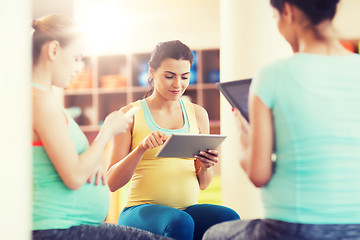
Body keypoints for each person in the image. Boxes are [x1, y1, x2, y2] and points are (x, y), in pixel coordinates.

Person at [203, 0, 360, 239]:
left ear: (287, 10)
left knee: (215, 234)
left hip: (293, 229)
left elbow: (259, 174)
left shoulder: (272, 76)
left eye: (275, 18)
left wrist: (246, 140)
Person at [31, 14, 170, 240]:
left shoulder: (43, 100)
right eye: (76, 58)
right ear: (54, 50)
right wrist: (107, 132)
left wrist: (89, 159)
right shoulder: (40, 100)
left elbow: (74, 165)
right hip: (57, 230)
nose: (79, 68)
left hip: (70, 225)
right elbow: (74, 176)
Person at [106, 40, 240, 240]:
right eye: (169, 76)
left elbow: (203, 183)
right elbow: (111, 182)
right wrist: (141, 148)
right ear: (151, 72)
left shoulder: (198, 114)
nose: (178, 85)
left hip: (185, 210)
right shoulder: (130, 114)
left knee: (228, 217)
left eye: (184, 77)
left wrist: (206, 165)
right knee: (180, 222)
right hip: (139, 211)